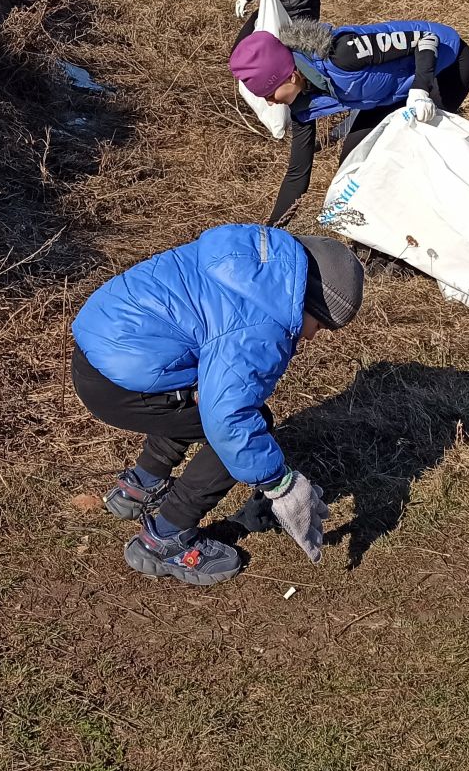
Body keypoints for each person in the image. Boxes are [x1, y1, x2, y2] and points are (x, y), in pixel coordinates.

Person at [70, 224, 364, 586]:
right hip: (120, 384)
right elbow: (229, 420)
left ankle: (139, 487)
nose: (311, 336)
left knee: (198, 398)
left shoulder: (250, 263)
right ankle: (165, 537)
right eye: (319, 324)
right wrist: (280, 484)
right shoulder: (261, 324)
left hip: (100, 345)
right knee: (245, 425)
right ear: (306, 300)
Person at [228, 18, 469, 226]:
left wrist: (421, 90)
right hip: (389, 95)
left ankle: (449, 218)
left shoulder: (344, 52)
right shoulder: (301, 105)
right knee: (354, 161)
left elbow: (426, 39)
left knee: (414, 153)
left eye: (270, 94)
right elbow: (297, 174)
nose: (271, 103)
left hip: (445, 67)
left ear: (291, 77)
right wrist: (274, 230)